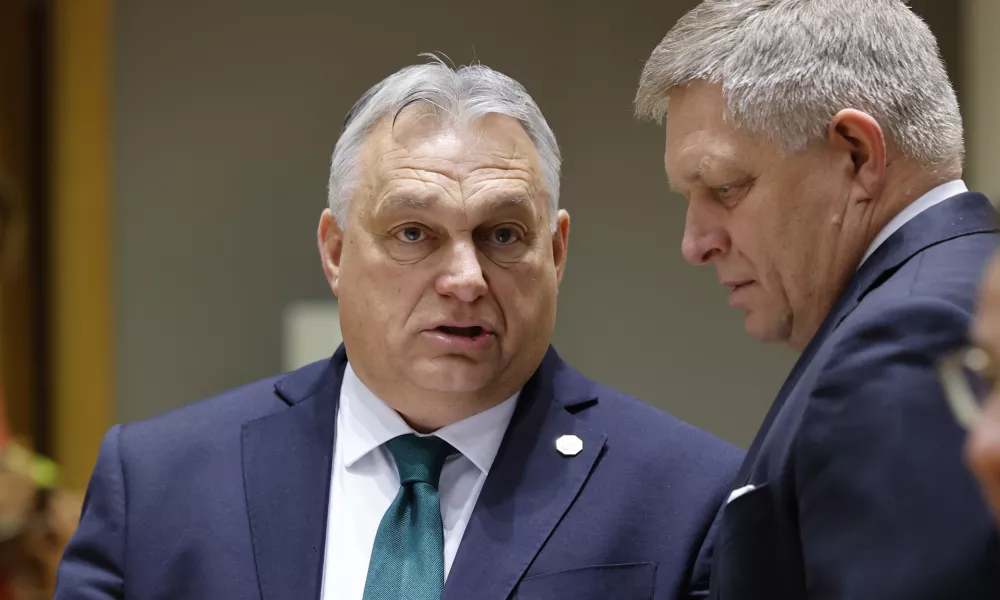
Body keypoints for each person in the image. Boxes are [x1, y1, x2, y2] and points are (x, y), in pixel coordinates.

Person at [54, 58, 742, 600]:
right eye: (414, 233)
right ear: (335, 250)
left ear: (555, 253)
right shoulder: (159, 485)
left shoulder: (689, 497)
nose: (466, 278)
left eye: (503, 234)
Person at [634, 0, 1000, 597]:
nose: (694, 244)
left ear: (856, 154)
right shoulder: (965, 283)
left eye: (724, 188)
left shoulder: (909, 337)